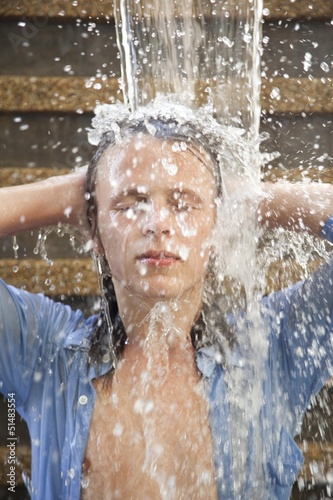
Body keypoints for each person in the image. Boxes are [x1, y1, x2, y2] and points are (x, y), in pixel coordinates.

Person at [1, 102, 333, 500]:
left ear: (216, 229)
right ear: (94, 231)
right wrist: (69, 194)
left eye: (184, 204)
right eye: (130, 203)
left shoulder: (272, 349)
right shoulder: (44, 351)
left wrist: (251, 199)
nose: (157, 223)